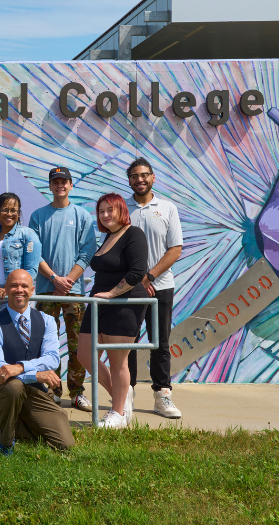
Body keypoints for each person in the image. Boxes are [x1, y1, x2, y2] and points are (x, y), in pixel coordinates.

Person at [0, 269, 75, 454]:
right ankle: (6, 440)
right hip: (1, 387)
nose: (19, 290)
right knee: (13, 387)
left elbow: (52, 358)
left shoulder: (47, 321)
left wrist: (20, 368)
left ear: (32, 290)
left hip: (36, 390)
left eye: (24, 286)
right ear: (6, 289)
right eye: (14, 285)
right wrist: (36, 374)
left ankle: (17, 423)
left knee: (65, 444)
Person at [77, 193, 149, 429]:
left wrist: (111, 294)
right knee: (85, 354)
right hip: (99, 303)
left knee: (118, 362)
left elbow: (138, 272)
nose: (105, 215)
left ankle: (117, 413)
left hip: (125, 303)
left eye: (110, 210)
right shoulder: (108, 236)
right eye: (101, 211)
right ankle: (123, 394)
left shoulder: (133, 234)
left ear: (121, 210)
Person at [28, 167, 97, 412]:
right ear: (50, 185)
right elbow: (34, 253)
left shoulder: (81, 216)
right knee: (47, 344)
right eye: (55, 182)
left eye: (64, 181)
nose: (60, 186)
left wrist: (67, 280)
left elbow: (87, 252)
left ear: (70, 184)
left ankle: (77, 393)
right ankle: (52, 390)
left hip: (75, 292)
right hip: (47, 291)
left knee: (77, 344)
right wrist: (55, 279)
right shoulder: (38, 216)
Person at [125, 158, 183, 419]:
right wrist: (136, 282)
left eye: (144, 175)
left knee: (160, 343)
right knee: (126, 342)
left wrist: (148, 278)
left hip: (161, 287)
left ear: (153, 178)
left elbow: (175, 249)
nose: (140, 180)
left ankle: (162, 394)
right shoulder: (122, 209)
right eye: (135, 176)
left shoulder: (168, 208)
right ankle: (126, 393)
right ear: (129, 180)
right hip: (129, 288)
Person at [0, 192, 42, 405]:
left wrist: (11, 289)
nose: (9, 213)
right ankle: (2, 400)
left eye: (14, 209)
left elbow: (31, 270)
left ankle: (25, 399)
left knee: (17, 348)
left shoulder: (27, 235)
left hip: (15, 298)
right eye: (5, 209)